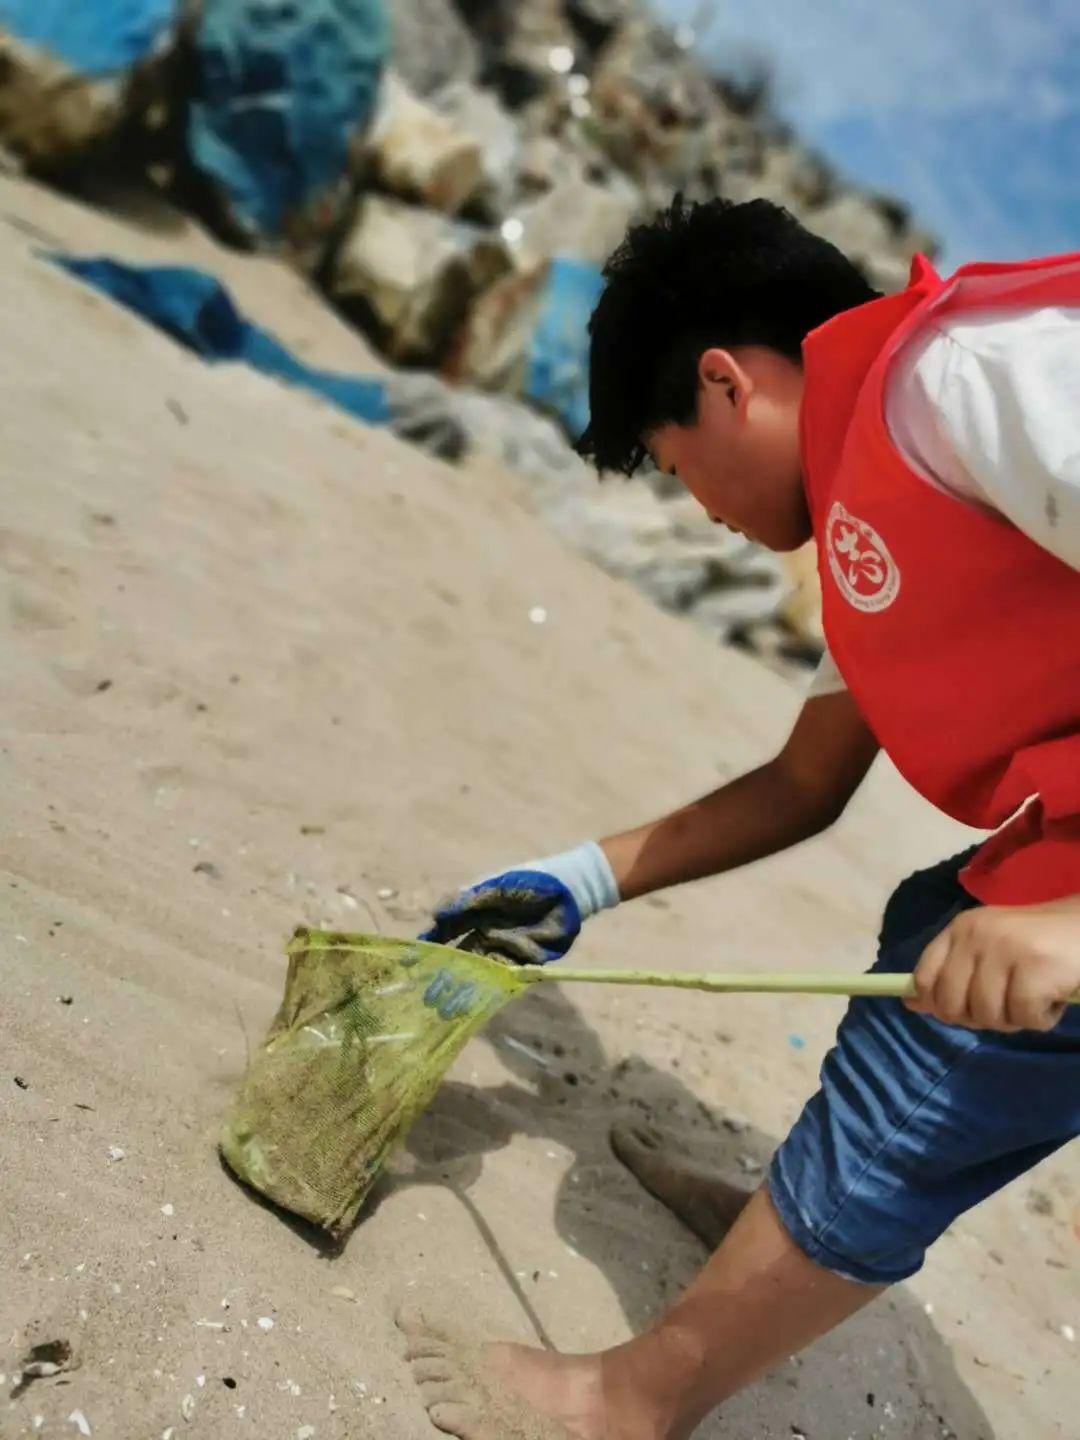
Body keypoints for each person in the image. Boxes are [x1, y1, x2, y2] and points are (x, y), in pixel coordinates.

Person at [402, 196, 1080, 1440]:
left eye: (672, 466)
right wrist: (581, 881)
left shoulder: (974, 382)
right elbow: (802, 784)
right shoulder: (879, 501)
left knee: (940, 1060)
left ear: (725, 383)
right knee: (938, 920)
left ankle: (629, 1402)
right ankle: (783, 1244)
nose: (695, 507)